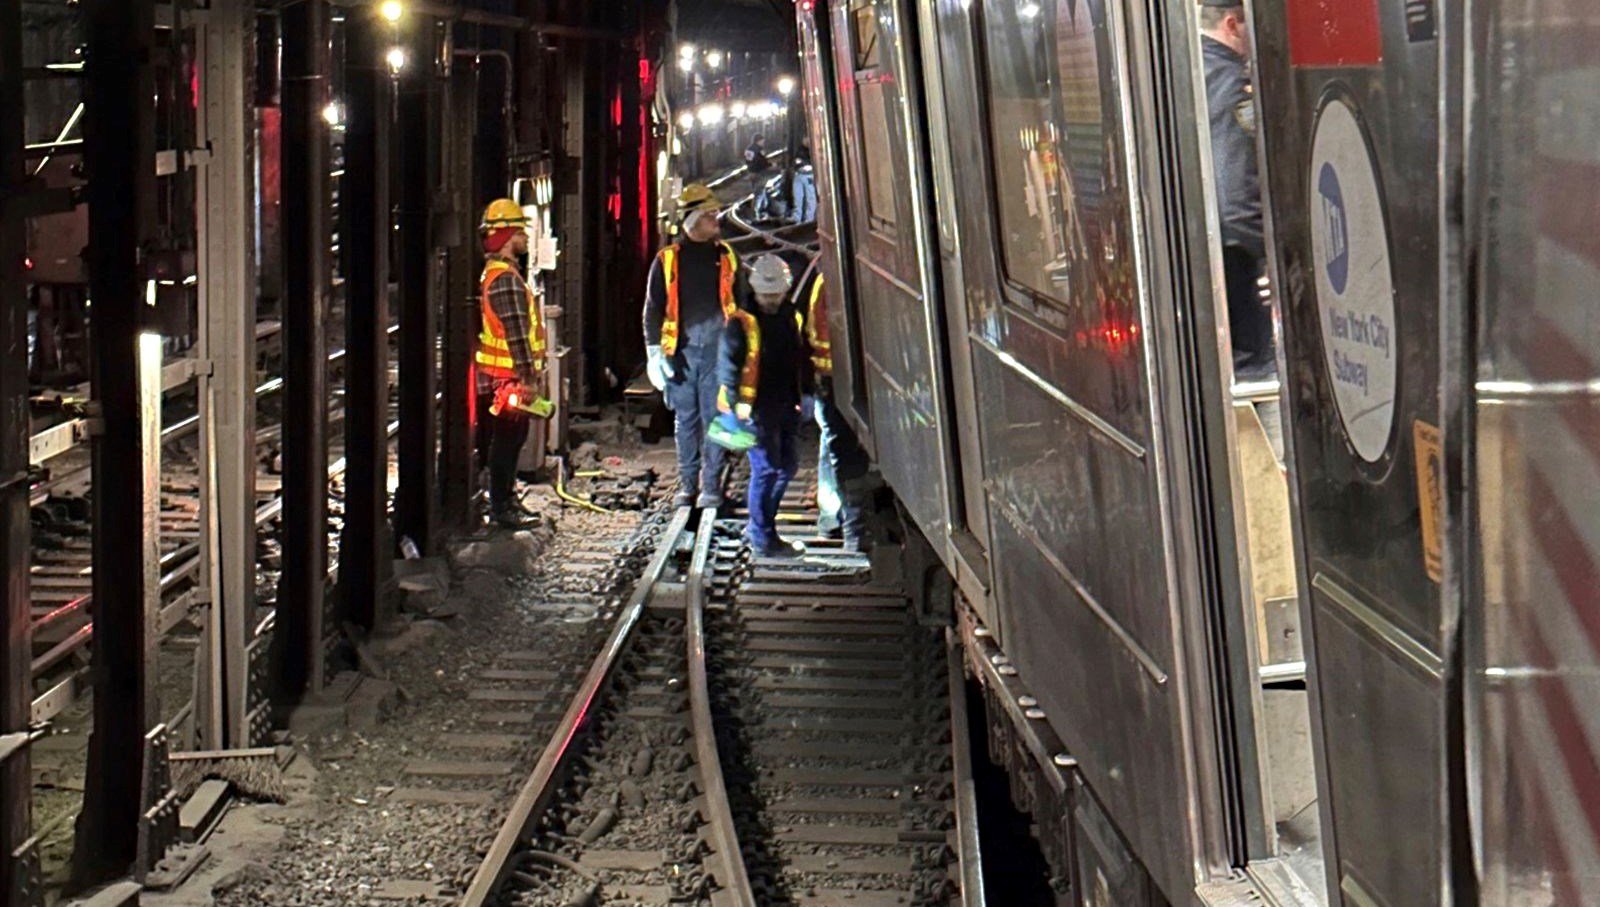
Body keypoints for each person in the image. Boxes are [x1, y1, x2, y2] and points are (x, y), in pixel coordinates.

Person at [643, 184, 740, 508]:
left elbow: (742, 305)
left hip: (718, 351)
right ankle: (688, 486)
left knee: (715, 418)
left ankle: (710, 488)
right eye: (710, 215)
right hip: (681, 353)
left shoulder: (726, 257)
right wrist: (654, 352)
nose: (717, 220)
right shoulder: (667, 260)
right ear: (693, 219)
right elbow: (653, 308)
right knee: (686, 420)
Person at [1200, 0, 1274, 379]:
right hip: (1239, 268)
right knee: (1259, 377)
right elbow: (1236, 196)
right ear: (1233, 24)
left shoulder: (1195, 72)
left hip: (1209, 263)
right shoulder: (1231, 84)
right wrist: (1275, 259)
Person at [719, 255, 808, 557]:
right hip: (755, 408)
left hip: (785, 402)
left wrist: (807, 391)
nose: (772, 300)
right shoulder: (740, 323)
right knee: (768, 469)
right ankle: (761, 535)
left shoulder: (791, 315)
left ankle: (762, 528)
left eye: (776, 294)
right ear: (756, 290)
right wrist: (735, 406)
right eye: (767, 295)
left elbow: (800, 355)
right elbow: (729, 368)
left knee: (787, 467)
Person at [476, 199, 548, 529]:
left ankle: (504, 501)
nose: (524, 236)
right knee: (508, 441)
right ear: (506, 235)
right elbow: (517, 333)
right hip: (508, 379)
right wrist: (528, 378)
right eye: (519, 230)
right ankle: (503, 507)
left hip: (502, 377)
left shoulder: (497, 274)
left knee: (507, 440)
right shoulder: (505, 279)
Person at [802, 268, 868, 552]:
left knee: (832, 447)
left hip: (833, 381)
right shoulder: (827, 284)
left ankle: (831, 519)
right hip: (832, 382)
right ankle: (849, 528)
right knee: (841, 450)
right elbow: (819, 335)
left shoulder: (826, 282)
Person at [791, 141, 817, 224]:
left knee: (810, 198)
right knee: (798, 198)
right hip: (800, 174)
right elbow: (796, 161)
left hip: (808, 175)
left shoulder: (813, 150)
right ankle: (797, 218)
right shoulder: (800, 150)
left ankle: (808, 219)